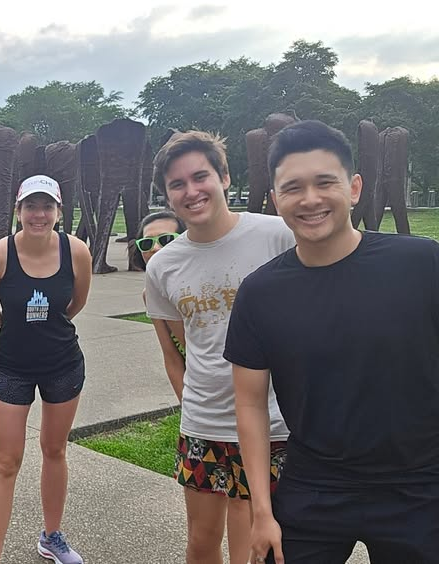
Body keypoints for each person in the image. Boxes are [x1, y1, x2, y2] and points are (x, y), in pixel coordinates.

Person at [226, 119, 439, 564]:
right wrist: (262, 512)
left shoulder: (422, 264)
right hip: (315, 482)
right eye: (293, 188)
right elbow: (248, 404)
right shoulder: (260, 292)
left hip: (420, 483)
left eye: (325, 183)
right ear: (274, 199)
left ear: (355, 187)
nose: (310, 200)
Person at [143, 130, 294, 564]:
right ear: (168, 196)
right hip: (203, 425)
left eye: (200, 176)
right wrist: (192, 405)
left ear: (224, 177)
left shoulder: (278, 236)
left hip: (274, 423)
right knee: (200, 542)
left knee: (257, 546)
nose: (191, 191)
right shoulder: (164, 266)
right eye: (177, 184)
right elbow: (176, 350)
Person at [0, 175, 92, 564]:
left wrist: (44, 327)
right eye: (30, 206)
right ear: (18, 210)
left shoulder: (76, 252)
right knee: (5, 462)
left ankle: (52, 537)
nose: (38, 215)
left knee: (54, 449)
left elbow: (75, 303)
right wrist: (21, 329)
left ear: (59, 211)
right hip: (12, 367)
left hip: (63, 364)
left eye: (47, 206)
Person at [133, 210, 188, 402]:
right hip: (202, 389)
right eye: (147, 243)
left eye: (166, 239)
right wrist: (188, 412)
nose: (155, 248)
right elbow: (171, 355)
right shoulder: (151, 294)